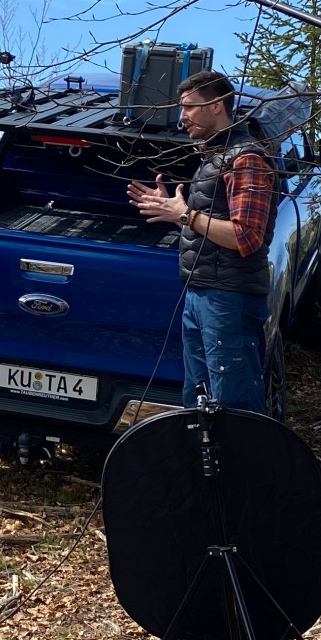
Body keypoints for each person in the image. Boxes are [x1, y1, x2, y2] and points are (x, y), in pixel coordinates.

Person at [127, 71, 278, 414]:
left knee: (233, 407)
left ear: (217, 106)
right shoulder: (214, 157)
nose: (182, 117)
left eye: (190, 108)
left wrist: (184, 215)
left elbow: (246, 237)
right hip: (200, 294)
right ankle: (206, 468)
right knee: (198, 403)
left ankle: (246, 468)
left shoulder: (246, 160)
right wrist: (170, 208)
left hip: (229, 301)